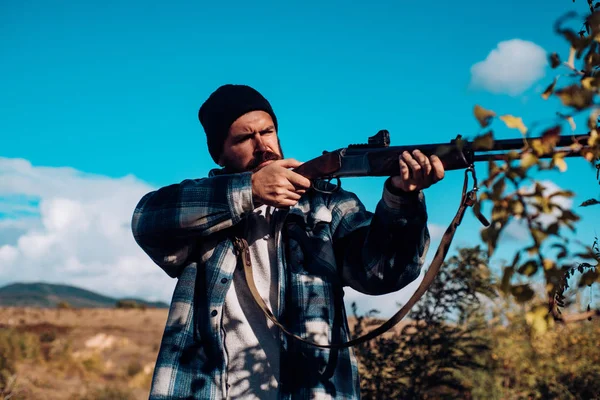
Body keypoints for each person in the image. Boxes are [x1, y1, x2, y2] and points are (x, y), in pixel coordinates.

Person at [131, 84, 445, 400]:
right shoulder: (203, 208)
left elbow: (382, 272)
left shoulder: (328, 203)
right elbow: (146, 220)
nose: (262, 146)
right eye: (243, 138)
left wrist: (402, 196)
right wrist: (249, 191)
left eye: (267, 132)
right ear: (219, 153)